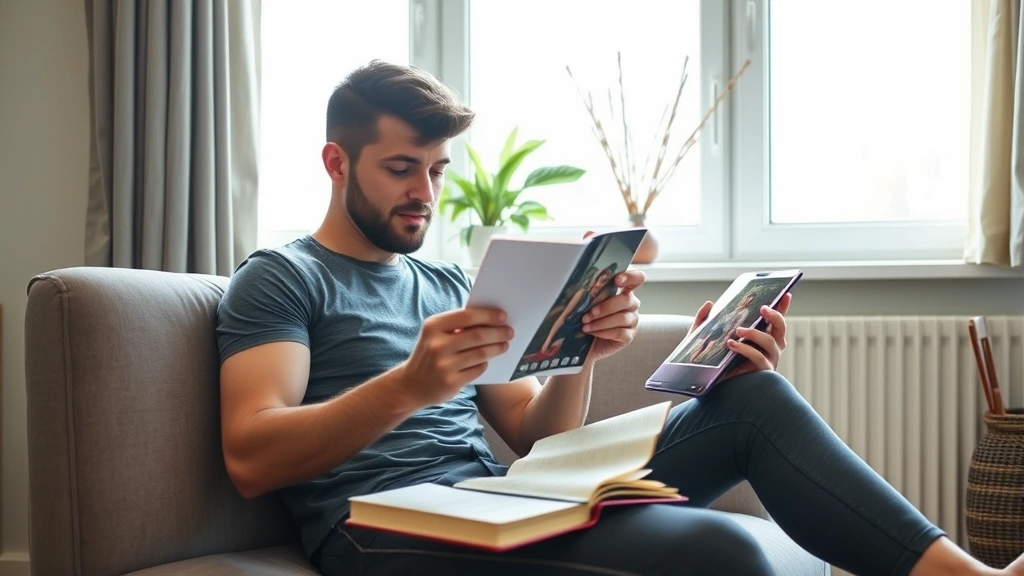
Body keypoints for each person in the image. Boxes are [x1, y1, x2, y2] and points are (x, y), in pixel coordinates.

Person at [215, 60, 1024, 576]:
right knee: (729, 553)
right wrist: (407, 387)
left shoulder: (446, 278)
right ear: (335, 162)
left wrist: (579, 354)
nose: (423, 192)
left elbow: (534, 439)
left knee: (750, 401)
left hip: (493, 497)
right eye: (400, 169)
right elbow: (253, 455)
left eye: (434, 169)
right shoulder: (283, 280)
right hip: (379, 529)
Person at [526, 262, 618, 362]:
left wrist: (564, 341)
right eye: (602, 278)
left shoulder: (597, 308)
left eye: (605, 282)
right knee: (533, 356)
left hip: (570, 341)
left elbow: (582, 333)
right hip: (559, 331)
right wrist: (547, 343)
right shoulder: (582, 294)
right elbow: (563, 317)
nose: (599, 285)